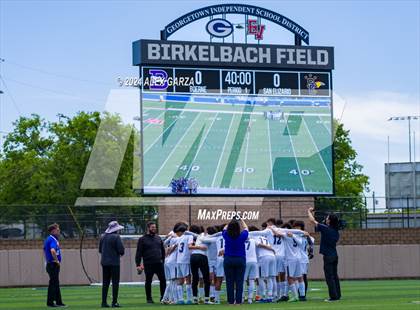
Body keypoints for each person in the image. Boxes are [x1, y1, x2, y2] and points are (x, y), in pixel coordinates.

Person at [308, 207, 341, 302]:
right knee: (334, 276)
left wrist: (309, 211)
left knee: (329, 277)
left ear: (329, 221)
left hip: (328, 256)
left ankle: (333, 297)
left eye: (327, 218)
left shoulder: (327, 229)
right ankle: (337, 295)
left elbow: (312, 221)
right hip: (334, 255)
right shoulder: (335, 231)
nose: (326, 219)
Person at [135, 222, 166, 304]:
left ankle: (163, 297)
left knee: (163, 280)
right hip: (148, 264)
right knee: (148, 281)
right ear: (148, 228)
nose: (154, 229)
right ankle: (149, 298)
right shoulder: (142, 239)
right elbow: (139, 253)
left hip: (159, 263)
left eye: (155, 227)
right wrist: (138, 265)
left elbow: (162, 251)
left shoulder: (158, 238)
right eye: (152, 227)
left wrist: (163, 261)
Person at [222, 217, 248, 305]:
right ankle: (238, 301)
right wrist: (241, 220)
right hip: (240, 259)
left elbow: (224, 228)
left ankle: (230, 301)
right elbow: (246, 228)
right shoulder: (242, 236)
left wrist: (231, 221)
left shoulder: (226, 235)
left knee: (229, 281)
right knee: (239, 281)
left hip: (228, 259)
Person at [99, 221, 125, 308]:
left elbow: (100, 250)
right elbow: (121, 250)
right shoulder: (116, 237)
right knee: (115, 283)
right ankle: (114, 302)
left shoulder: (102, 237)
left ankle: (103, 302)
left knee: (105, 283)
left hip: (104, 262)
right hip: (114, 263)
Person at [43, 223, 65, 308]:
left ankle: (59, 302)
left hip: (51, 264)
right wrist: (56, 261)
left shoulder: (50, 239)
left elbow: (45, 250)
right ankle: (50, 302)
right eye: (57, 229)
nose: (59, 231)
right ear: (53, 231)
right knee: (53, 283)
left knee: (55, 283)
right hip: (53, 264)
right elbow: (52, 251)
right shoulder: (52, 239)